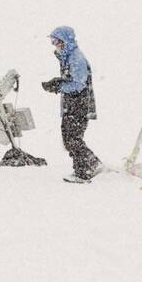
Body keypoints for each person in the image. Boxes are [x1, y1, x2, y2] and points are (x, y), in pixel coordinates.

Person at [42, 26, 102, 183]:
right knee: (70, 138)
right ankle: (86, 166)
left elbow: (79, 84)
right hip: (72, 104)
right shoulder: (68, 56)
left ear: (65, 41)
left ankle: (88, 167)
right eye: (52, 41)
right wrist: (58, 83)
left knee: (72, 138)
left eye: (56, 41)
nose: (54, 44)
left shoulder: (76, 58)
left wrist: (58, 86)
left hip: (79, 104)